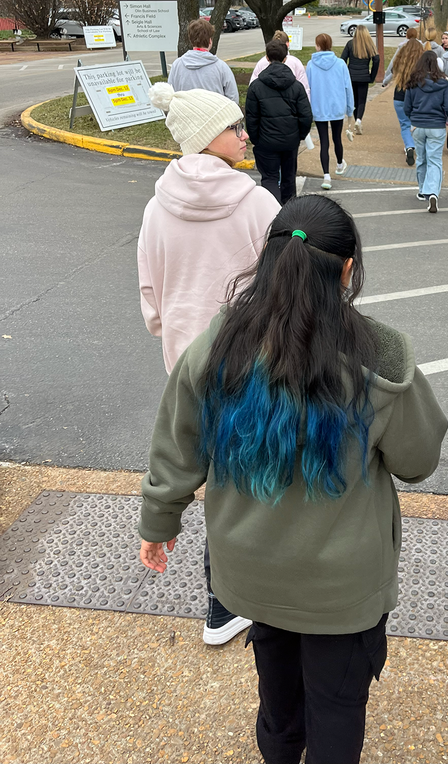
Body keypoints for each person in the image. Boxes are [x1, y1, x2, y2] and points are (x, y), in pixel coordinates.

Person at [138, 195, 448, 764]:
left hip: (250, 572)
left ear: (270, 257)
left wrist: (158, 522)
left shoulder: (217, 347)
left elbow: (177, 447)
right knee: (337, 707)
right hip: (341, 586)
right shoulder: (376, 359)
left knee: (278, 702)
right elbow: (418, 459)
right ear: (348, 269)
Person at [138, 82, 280, 646]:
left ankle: (222, 601)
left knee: (212, 470)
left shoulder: (155, 206)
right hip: (253, 360)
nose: (246, 135)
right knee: (256, 472)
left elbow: (151, 295)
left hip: (186, 363)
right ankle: (239, 596)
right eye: (235, 128)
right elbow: (280, 290)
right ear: (205, 139)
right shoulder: (258, 203)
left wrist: (174, 334)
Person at [245, 39, 313, 204]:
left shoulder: (256, 87)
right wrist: (299, 136)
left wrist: (256, 140)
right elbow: (306, 115)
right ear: (285, 58)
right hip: (290, 140)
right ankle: (289, 216)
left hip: (266, 141)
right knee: (289, 178)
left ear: (267, 58)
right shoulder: (296, 86)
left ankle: (270, 214)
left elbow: (251, 117)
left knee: (269, 178)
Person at [403, 50, 448, 213]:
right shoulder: (444, 82)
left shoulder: (413, 81)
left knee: (421, 158)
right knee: (435, 160)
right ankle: (432, 192)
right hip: (436, 125)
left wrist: (414, 117)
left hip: (418, 125)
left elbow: (406, 107)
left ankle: (422, 189)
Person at [305, 33, 354, 190]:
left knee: (324, 141)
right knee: (337, 138)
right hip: (336, 107)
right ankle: (339, 164)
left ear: (317, 45)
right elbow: (348, 88)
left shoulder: (311, 65)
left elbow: (307, 89)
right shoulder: (340, 64)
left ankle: (326, 175)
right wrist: (350, 110)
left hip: (319, 107)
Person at [168, 20, 239, 103]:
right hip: (215, 114)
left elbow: (169, 96)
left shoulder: (177, 65)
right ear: (210, 41)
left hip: (185, 114)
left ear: (191, 40)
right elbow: (233, 98)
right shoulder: (221, 67)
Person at [382, 37, 424, 166]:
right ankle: (416, 145)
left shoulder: (400, 62)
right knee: (416, 123)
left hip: (400, 96)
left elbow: (392, 71)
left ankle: (409, 146)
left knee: (405, 124)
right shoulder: (421, 64)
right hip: (417, 97)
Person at [248, 30, 310, 98]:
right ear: (287, 44)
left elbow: (252, 87)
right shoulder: (295, 63)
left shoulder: (261, 63)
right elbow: (304, 89)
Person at [341, 26, 380, 133]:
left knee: (353, 101)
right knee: (362, 101)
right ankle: (359, 120)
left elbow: (342, 59)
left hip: (351, 76)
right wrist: (372, 76)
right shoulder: (370, 45)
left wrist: (344, 74)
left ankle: (355, 119)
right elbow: (376, 60)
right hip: (364, 76)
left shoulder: (350, 44)